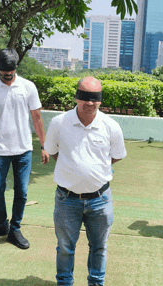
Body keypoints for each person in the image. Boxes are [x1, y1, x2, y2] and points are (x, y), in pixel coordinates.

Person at [44, 76, 127, 286]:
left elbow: (116, 155)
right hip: (66, 199)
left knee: (99, 246)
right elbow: (53, 151)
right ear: (76, 97)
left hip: (101, 199)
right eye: (85, 97)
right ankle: (64, 283)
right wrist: (72, 168)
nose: (90, 102)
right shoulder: (59, 122)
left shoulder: (111, 126)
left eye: (95, 97)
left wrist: (95, 170)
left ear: (100, 100)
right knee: (64, 247)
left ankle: (96, 283)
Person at [0, 48, 49, 249]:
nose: (8, 75)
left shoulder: (28, 87)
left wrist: (43, 146)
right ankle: (1, 223)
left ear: (16, 68)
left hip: (23, 150)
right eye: (5, 72)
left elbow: (37, 117)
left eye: (12, 71)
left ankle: (15, 228)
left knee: (21, 192)